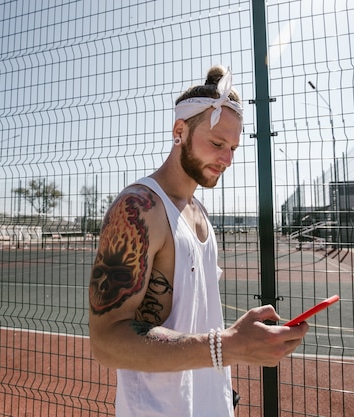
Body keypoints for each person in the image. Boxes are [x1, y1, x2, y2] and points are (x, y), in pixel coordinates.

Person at [88, 66, 308, 417]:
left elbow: (195, 319)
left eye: (234, 147)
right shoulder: (139, 209)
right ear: (180, 131)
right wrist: (226, 346)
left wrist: (232, 344)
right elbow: (106, 342)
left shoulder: (199, 212)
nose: (227, 159)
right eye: (217, 143)